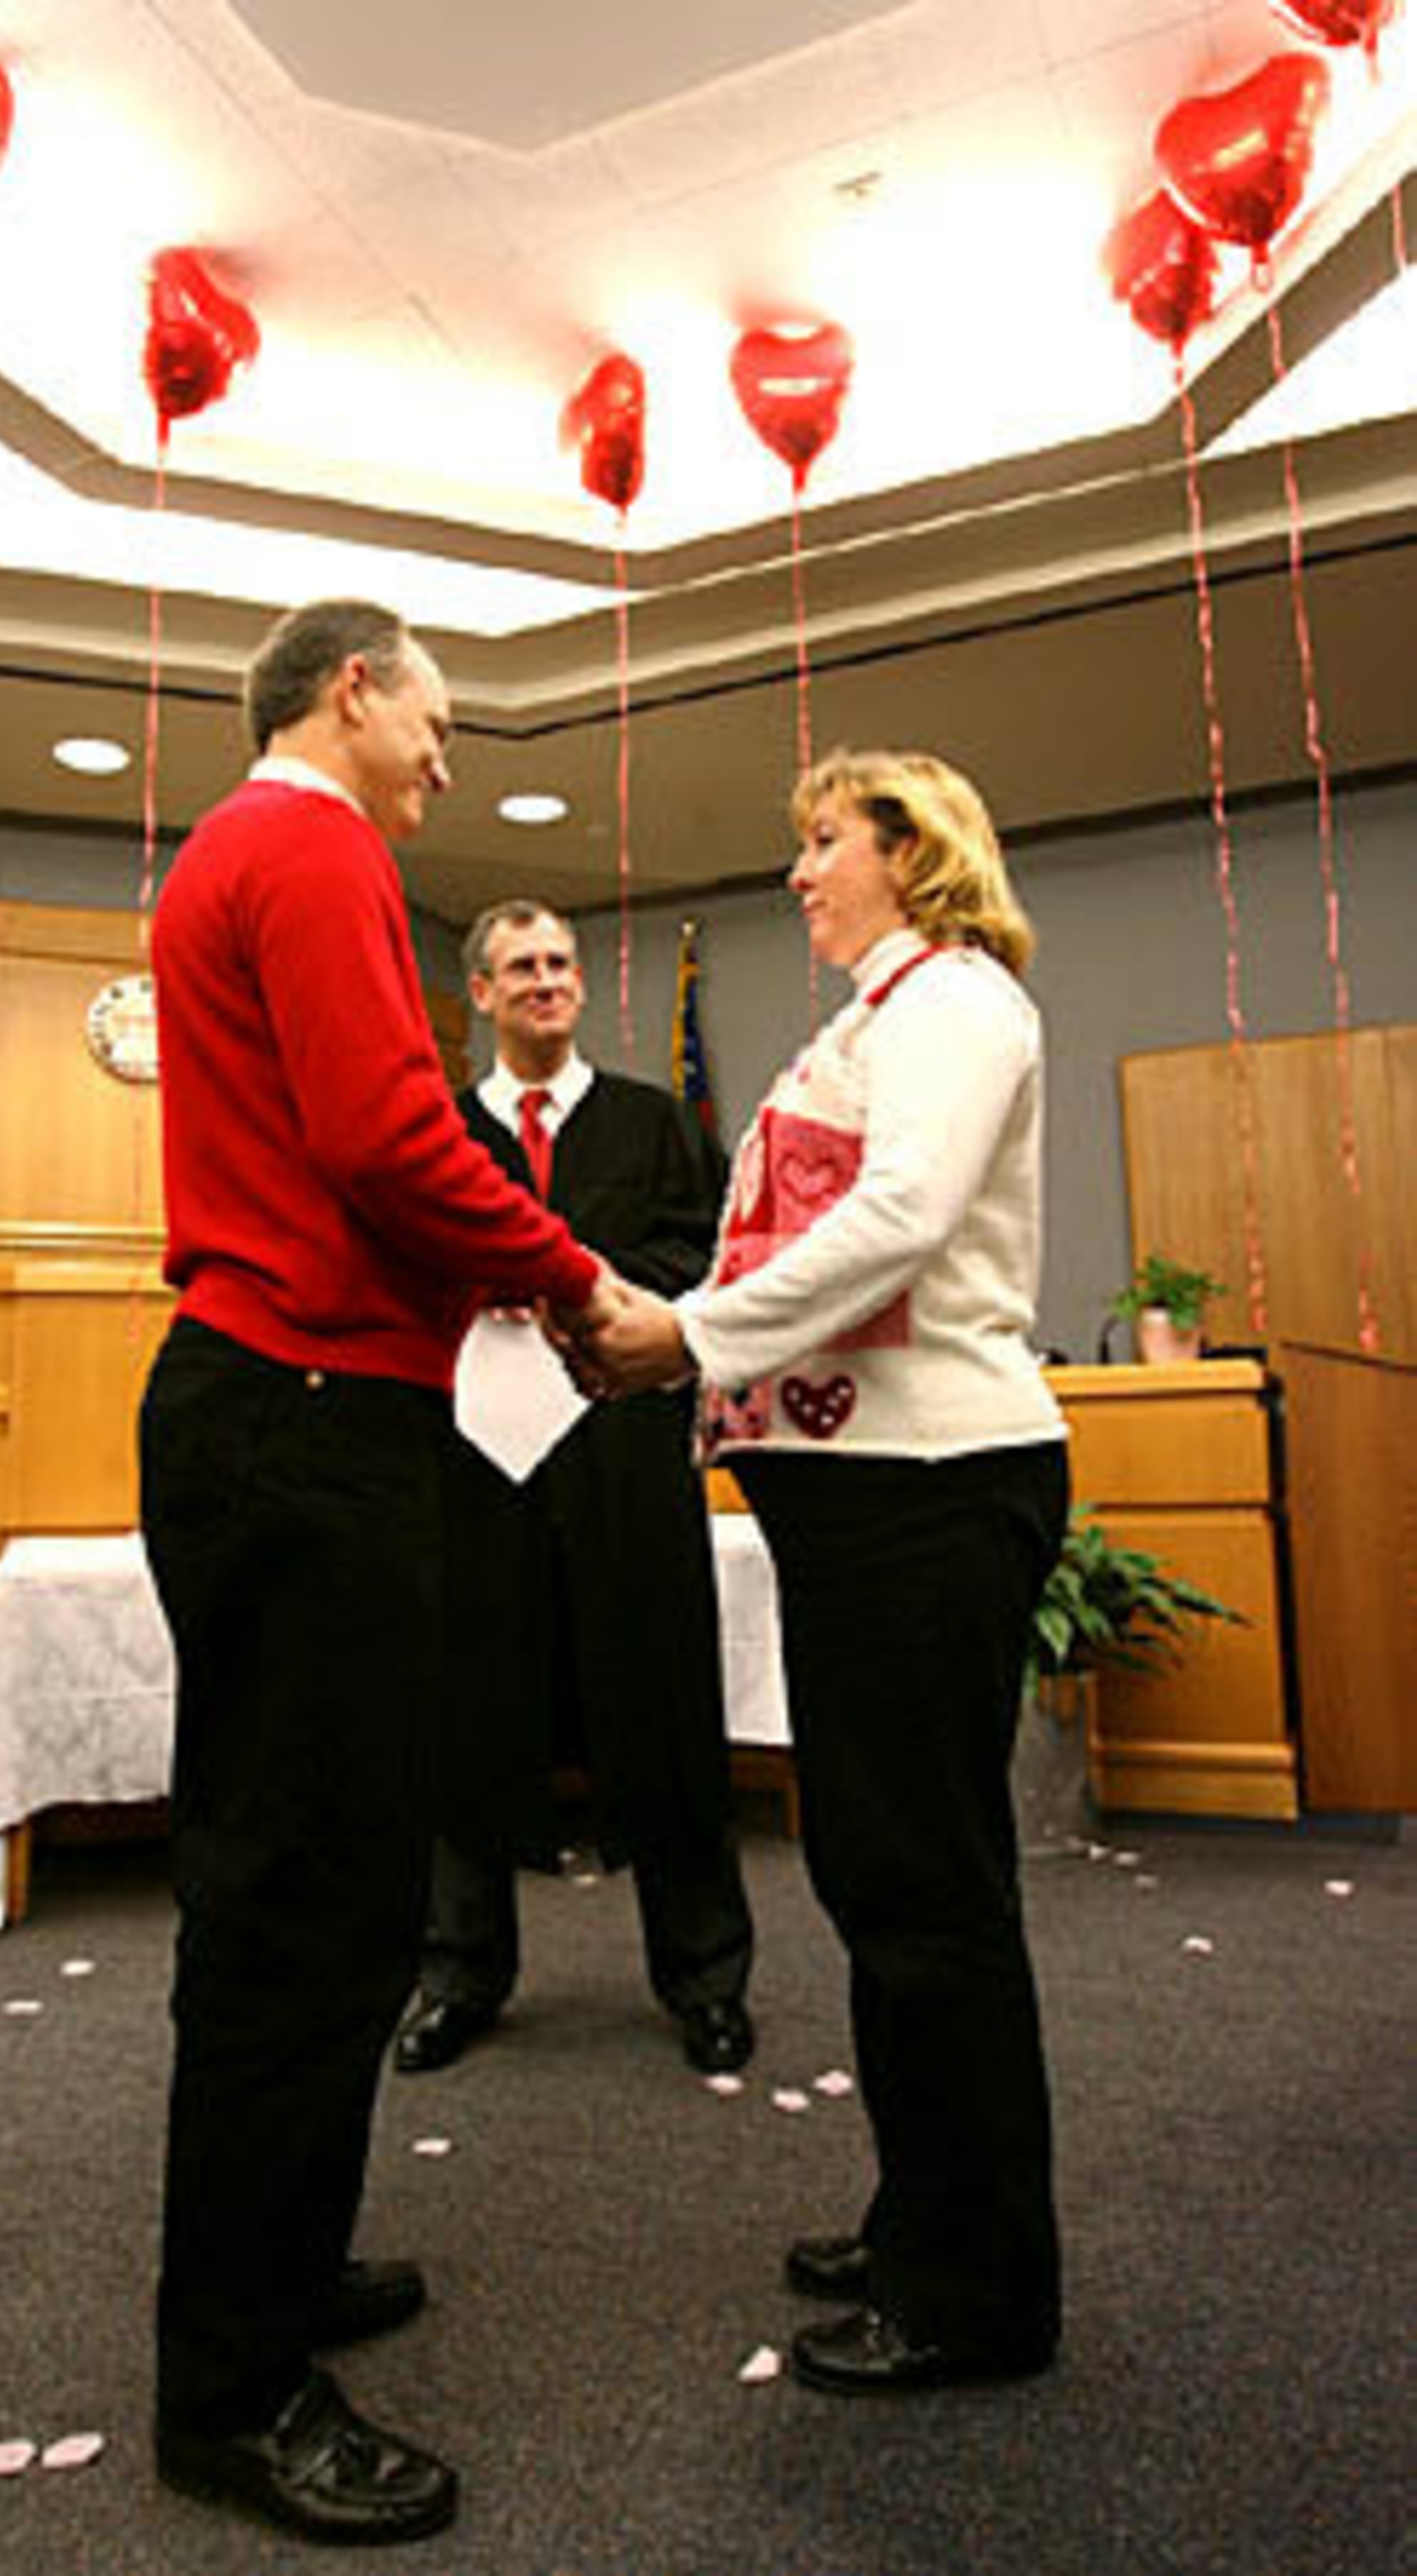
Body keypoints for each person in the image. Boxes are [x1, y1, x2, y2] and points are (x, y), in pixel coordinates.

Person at [139, 600, 615, 2545]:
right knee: (300, 1904)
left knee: (323, 1891)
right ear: (357, 689)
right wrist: (574, 1276)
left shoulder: (236, 854)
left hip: (293, 1408)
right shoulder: (313, 839)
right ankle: (233, 2388)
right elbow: (387, 1130)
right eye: (437, 714)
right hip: (306, 1414)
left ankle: (279, 2263)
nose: (445, 753)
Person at [579, 750, 1070, 2396]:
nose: (799, 873)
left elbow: (904, 1212)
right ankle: (926, 2208)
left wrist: (688, 1338)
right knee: (880, 1877)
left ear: (912, 853)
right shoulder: (874, 1015)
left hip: (930, 1479)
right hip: (860, 1489)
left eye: (822, 843)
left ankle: (979, 2291)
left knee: (928, 1890)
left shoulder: (956, 1001)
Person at [393, 901, 755, 2078]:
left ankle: (705, 1978)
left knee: (664, 1702)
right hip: (475, 1462)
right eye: (521, 969)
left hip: (623, 1454)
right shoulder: (436, 1137)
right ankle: (459, 1974)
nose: (547, 982)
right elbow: (398, 1262)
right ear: (483, 996)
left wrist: (567, 1282)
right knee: (458, 1710)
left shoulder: (656, 1124)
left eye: (561, 964)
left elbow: (704, 1256)